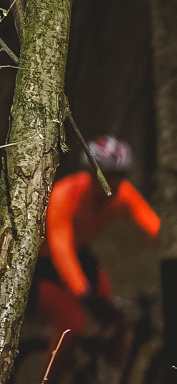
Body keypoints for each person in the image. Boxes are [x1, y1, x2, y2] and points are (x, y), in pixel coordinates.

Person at [35, 136, 159, 349]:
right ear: (92, 173)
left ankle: (107, 374)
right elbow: (61, 248)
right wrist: (81, 289)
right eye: (108, 175)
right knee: (71, 327)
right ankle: (49, 382)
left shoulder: (122, 194)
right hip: (45, 263)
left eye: (120, 175)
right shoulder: (64, 194)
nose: (115, 182)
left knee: (115, 317)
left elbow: (154, 225)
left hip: (80, 254)